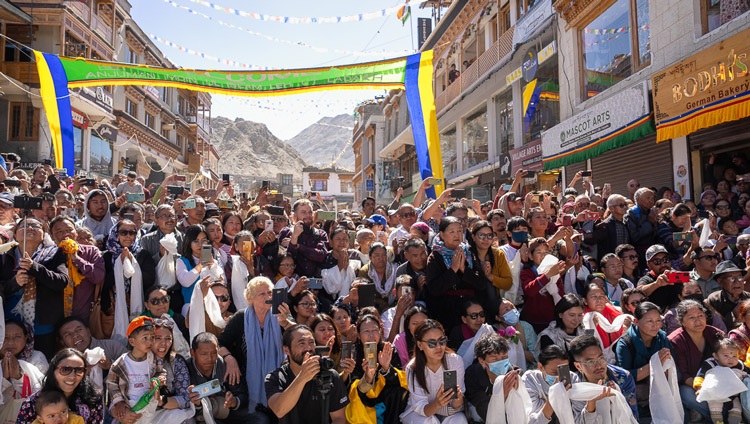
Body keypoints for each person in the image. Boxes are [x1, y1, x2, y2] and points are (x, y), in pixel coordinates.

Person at [219, 276, 293, 421]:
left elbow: (298, 336)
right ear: (251, 298)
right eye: (262, 294)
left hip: (278, 383)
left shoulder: (280, 315)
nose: (268, 296)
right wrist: (229, 358)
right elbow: (219, 343)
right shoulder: (240, 318)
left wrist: (285, 323)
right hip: (246, 389)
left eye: (270, 292)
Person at [2, 218, 72, 357]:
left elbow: (62, 281)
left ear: (43, 235)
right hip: (9, 325)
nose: (30, 228)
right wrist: (14, 283)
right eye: (24, 226)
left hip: (43, 326)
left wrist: (34, 267)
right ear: (15, 235)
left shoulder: (55, 254)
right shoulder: (3, 257)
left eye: (36, 226)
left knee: (42, 366)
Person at [265, 324, 349, 424]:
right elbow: (279, 410)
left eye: (311, 342)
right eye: (301, 343)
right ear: (286, 350)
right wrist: (302, 377)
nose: (308, 348)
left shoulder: (330, 375)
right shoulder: (276, 378)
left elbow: (339, 418)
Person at [400, 319, 467, 424]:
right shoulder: (413, 368)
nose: (438, 347)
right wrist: (437, 404)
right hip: (421, 413)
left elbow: (457, 405)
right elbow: (420, 407)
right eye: (432, 343)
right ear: (420, 345)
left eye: (442, 341)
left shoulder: (455, 361)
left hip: (450, 411)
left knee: (460, 420)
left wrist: (457, 399)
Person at [425, 217, 486, 331]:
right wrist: (453, 270)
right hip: (447, 309)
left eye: (459, 231)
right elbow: (434, 289)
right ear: (442, 235)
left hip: (471, 308)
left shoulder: (468, 252)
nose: (456, 235)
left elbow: (481, 283)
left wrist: (464, 270)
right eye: (452, 232)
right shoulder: (435, 256)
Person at [614, 301, 672, 419]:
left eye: (658, 320)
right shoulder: (625, 343)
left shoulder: (662, 338)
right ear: (636, 322)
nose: (655, 325)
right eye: (649, 321)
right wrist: (654, 363)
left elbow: (669, 367)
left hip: (658, 384)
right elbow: (624, 377)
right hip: (635, 390)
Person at [102, 219, 156, 343]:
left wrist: (132, 266)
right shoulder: (107, 256)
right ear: (116, 234)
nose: (128, 236)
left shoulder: (142, 254)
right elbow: (102, 283)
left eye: (132, 233)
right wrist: (119, 265)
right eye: (123, 232)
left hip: (136, 304)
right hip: (112, 307)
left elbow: (150, 279)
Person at [668, 299, 723, 421]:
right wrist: (704, 388)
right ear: (682, 322)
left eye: (700, 316)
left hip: (718, 381)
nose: (698, 321)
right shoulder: (676, 341)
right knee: (685, 393)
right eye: (691, 318)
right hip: (694, 385)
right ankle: (718, 418)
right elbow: (683, 374)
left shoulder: (713, 333)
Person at [345, 317, 408, 424]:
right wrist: (368, 377)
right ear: (359, 336)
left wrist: (386, 368)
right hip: (364, 400)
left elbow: (400, 381)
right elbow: (352, 388)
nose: (371, 335)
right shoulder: (354, 354)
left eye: (375, 330)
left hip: (386, 399)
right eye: (366, 331)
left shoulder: (388, 350)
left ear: (380, 332)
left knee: (397, 391)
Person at [17, 348, 104, 424]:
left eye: (79, 370)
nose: (72, 376)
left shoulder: (92, 398)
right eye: (65, 370)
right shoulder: (32, 403)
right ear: (53, 371)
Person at [106, 316, 166, 424]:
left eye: (152, 337)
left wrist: (158, 380)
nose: (150, 342)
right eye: (145, 338)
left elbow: (160, 372)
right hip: (129, 405)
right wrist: (119, 402)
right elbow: (111, 383)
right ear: (132, 342)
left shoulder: (153, 359)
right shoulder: (121, 363)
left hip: (149, 403)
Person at [48, 216, 105, 324]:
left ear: (76, 232)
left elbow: (98, 277)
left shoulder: (91, 251)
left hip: (84, 318)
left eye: (69, 230)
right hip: (55, 318)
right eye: (60, 231)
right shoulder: (48, 255)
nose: (66, 234)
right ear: (52, 236)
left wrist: (76, 259)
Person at [569, 334, 639, 419]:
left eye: (601, 358)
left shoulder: (623, 377)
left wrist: (615, 401)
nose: (598, 366)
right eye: (591, 362)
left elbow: (632, 417)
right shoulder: (575, 387)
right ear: (578, 366)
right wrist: (592, 404)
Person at [187, 332, 251, 424]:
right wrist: (195, 403)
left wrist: (234, 401)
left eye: (213, 353)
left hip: (227, 412)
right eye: (204, 354)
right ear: (192, 353)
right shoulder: (185, 369)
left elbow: (242, 394)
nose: (210, 358)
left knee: (259, 418)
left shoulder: (226, 366)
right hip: (199, 417)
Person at [523, 345, 587, 423]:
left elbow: (580, 417)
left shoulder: (572, 378)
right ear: (540, 367)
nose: (558, 377)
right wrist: (554, 396)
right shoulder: (531, 380)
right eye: (554, 372)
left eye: (562, 371)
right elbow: (533, 421)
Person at [149, 314, 194, 422]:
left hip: (167, 411)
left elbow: (186, 398)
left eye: (168, 339)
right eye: (158, 338)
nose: (163, 343)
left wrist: (161, 401)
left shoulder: (176, 362)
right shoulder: (138, 360)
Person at [693, 338, 749, 424]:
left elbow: (748, 372)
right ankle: (718, 421)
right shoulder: (711, 363)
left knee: (736, 409)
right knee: (715, 407)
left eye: (734, 356)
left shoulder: (739, 365)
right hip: (715, 393)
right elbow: (700, 376)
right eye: (726, 356)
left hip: (734, 394)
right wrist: (699, 388)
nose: (730, 359)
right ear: (716, 356)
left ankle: (735, 421)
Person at [520, 238, 567, 332]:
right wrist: (547, 275)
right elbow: (529, 291)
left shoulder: (555, 272)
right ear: (530, 256)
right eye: (539, 252)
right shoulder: (527, 272)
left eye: (546, 252)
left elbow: (561, 295)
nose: (543, 255)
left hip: (551, 321)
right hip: (532, 321)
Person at [468, 220, 512, 314]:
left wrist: (490, 277)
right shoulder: (467, 254)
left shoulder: (498, 254)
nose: (486, 239)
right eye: (481, 235)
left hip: (493, 304)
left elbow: (508, 283)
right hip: (471, 304)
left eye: (489, 236)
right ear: (473, 237)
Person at [287, 199, 329, 278]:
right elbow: (287, 259)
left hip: (316, 284)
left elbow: (321, 255)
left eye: (310, 212)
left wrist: (298, 246)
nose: (308, 215)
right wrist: (294, 237)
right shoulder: (287, 232)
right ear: (295, 216)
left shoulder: (321, 234)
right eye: (303, 212)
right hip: (292, 283)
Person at [707, 261, 750, 330]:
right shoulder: (714, 300)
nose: (737, 281)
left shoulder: (748, 298)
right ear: (720, 282)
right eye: (731, 278)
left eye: (740, 277)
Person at [637, 244, 682, 311]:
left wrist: (681, 279)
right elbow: (638, 292)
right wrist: (656, 284)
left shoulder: (676, 275)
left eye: (665, 260)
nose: (663, 264)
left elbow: (692, 284)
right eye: (657, 262)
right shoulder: (646, 279)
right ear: (649, 265)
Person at [589, 194, 630, 261]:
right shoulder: (604, 225)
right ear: (611, 208)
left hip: (625, 261)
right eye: (621, 205)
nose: (625, 207)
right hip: (611, 263)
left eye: (626, 204)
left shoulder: (627, 222)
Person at [626, 188, 657, 264]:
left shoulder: (652, 211)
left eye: (652, 198)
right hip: (640, 252)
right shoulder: (632, 213)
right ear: (638, 199)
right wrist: (649, 223)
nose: (651, 201)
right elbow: (635, 236)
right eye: (648, 198)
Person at [394, 238, 429, 303]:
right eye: (415, 256)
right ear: (406, 255)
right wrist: (418, 289)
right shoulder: (402, 271)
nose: (420, 259)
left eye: (422, 254)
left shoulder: (433, 265)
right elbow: (403, 298)